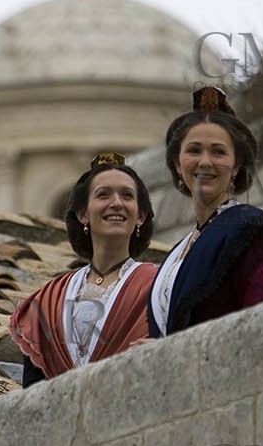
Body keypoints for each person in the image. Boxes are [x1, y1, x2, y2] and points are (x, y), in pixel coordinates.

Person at [148, 86, 263, 338]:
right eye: (194, 150)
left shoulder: (249, 229)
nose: (205, 162)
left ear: (236, 166)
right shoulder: (176, 253)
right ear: (177, 163)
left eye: (218, 151)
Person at [10, 154, 157, 384]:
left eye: (127, 195)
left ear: (140, 216)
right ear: (83, 214)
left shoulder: (162, 287)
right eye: (103, 194)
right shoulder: (48, 300)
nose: (116, 203)